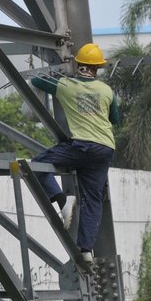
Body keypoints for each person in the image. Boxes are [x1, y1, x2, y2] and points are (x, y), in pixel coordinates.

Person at [30, 43, 119, 263]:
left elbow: (36, 80)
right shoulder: (107, 91)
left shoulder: (66, 86)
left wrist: (59, 72)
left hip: (80, 147)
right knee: (92, 199)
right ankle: (86, 250)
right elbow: (115, 119)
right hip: (104, 149)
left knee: (38, 164)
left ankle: (62, 200)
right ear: (97, 68)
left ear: (78, 63)